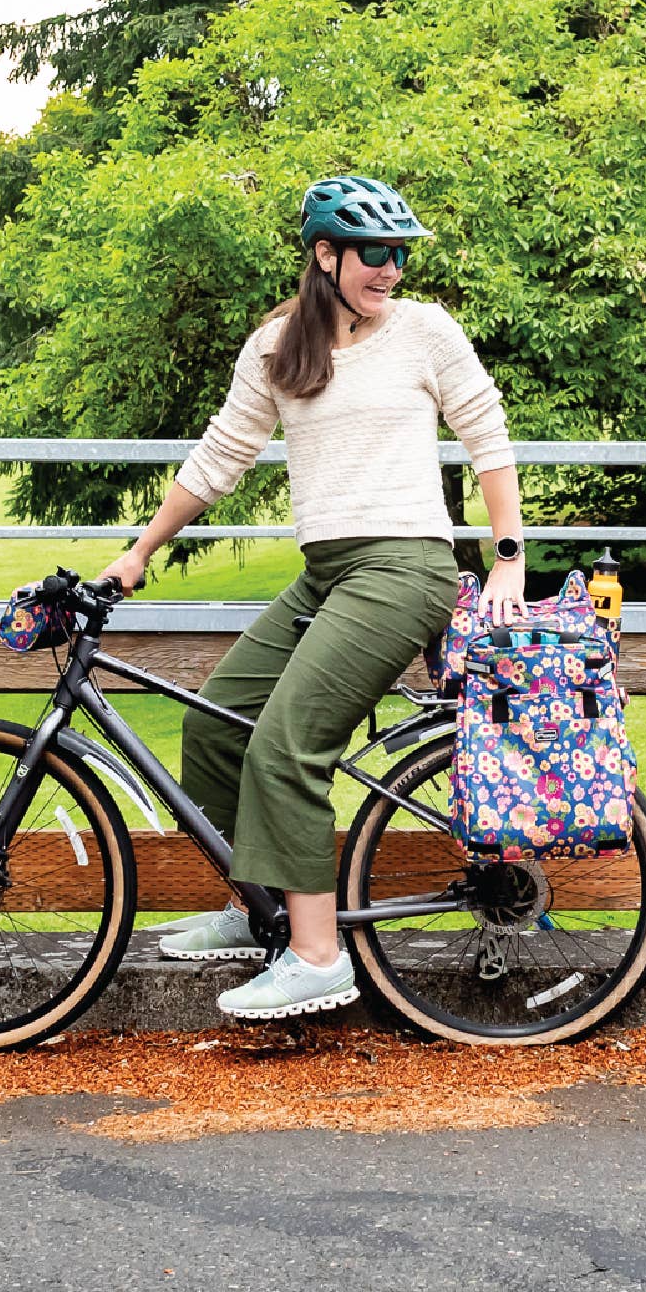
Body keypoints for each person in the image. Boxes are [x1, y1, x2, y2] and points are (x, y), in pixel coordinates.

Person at [98, 175, 527, 1020]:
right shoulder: (275, 349)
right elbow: (219, 457)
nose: (392, 268)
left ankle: (317, 954)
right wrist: (140, 551)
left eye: (401, 252)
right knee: (216, 722)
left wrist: (509, 558)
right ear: (324, 255)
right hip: (327, 571)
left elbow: (487, 436)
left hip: (404, 568)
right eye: (375, 252)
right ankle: (257, 908)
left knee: (286, 748)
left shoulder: (424, 331)